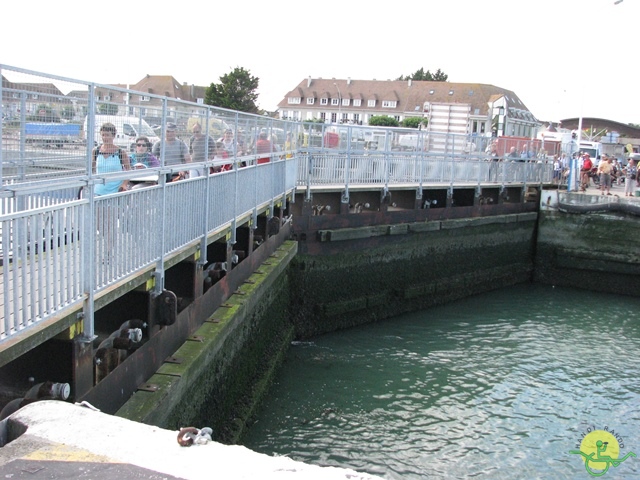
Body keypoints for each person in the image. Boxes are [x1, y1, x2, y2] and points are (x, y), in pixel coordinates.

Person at [93, 122, 131, 196]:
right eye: (103, 135)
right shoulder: (96, 151)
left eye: (107, 135)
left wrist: (124, 184)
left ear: (113, 136)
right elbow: (91, 169)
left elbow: (128, 171)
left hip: (115, 192)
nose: (104, 138)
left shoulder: (121, 152)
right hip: (98, 191)